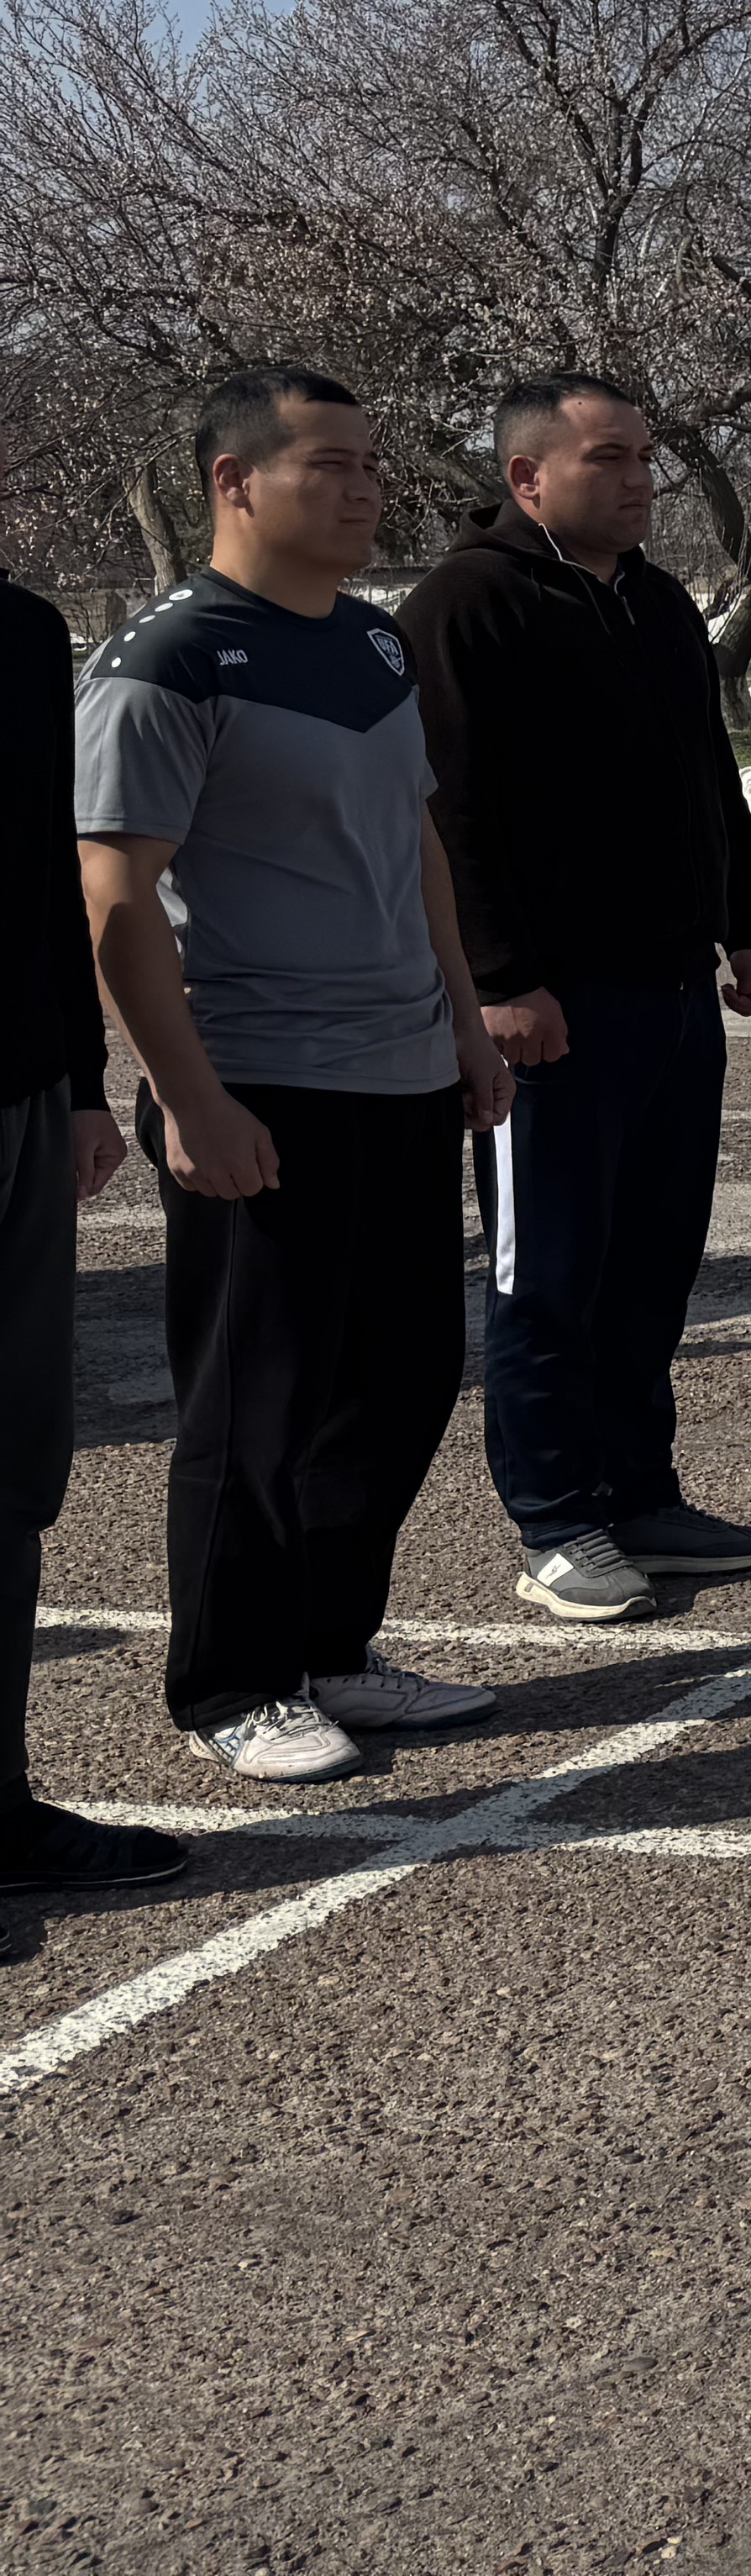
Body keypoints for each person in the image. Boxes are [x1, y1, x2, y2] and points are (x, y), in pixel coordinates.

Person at [75, 371, 513, 1789]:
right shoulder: (169, 659)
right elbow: (116, 895)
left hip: (397, 1070)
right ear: (233, 480)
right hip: (258, 1075)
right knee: (251, 1397)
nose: (365, 486)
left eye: (371, 462)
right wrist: (187, 1094)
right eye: (331, 464)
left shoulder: (376, 650)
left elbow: (419, 846)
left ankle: (332, 1648)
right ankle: (228, 1676)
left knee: (397, 1380)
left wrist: (460, 1017)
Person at [399, 371, 751, 1628]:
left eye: (646, 460)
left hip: (671, 990)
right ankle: (558, 1518)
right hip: (551, 1007)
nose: (639, 480)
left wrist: (746, 924)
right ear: (529, 478)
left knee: (651, 1259)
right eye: (610, 459)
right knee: (547, 1268)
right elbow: (448, 810)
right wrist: (502, 983)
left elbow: (702, 779)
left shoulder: (659, 603)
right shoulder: (470, 601)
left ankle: (641, 1491)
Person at [13, 549, 170, 1874]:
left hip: (15, 1091)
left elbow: (44, 879)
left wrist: (76, 1084)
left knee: (15, 1461)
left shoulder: (20, 632)